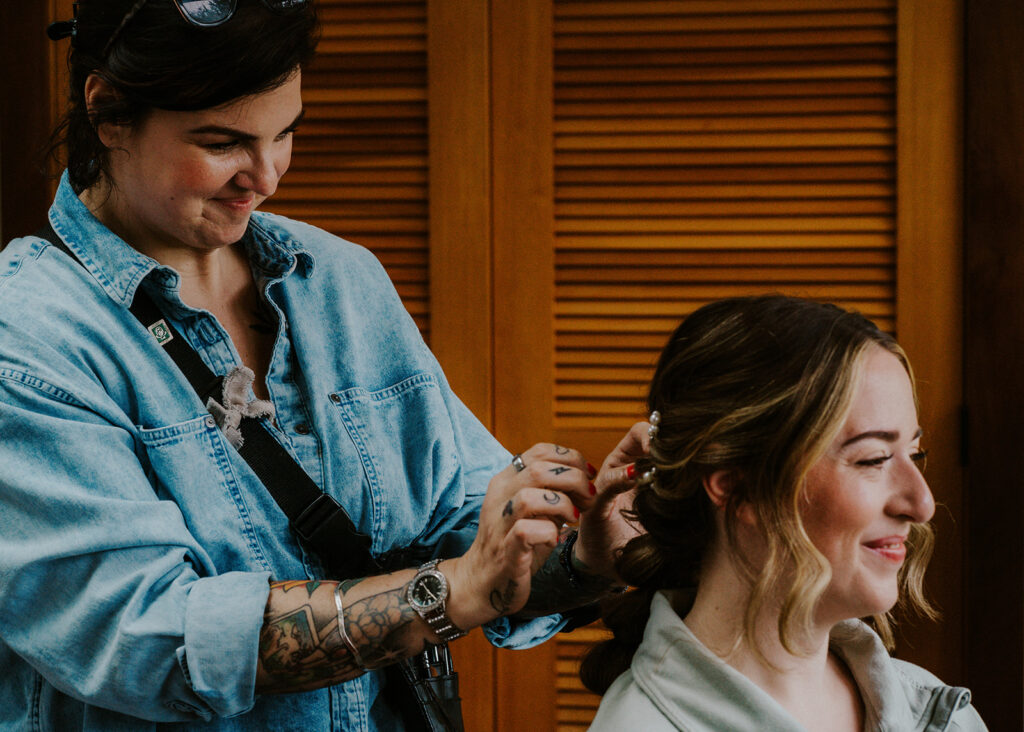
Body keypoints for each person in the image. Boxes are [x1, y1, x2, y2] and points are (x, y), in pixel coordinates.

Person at [0, 1, 644, 729]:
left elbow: (467, 525)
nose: (267, 176)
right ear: (108, 112)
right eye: (223, 142)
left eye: (285, 134)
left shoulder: (338, 278)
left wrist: (581, 554)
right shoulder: (26, 337)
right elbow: (151, 637)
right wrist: (450, 592)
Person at [582, 296, 988, 731]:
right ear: (739, 486)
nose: (922, 503)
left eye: (915, 453)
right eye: (873, 459)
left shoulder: (945, 716)